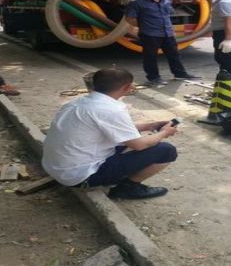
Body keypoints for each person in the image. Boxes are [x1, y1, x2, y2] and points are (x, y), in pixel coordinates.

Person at [42, 68, 178, 199]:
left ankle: (116, 176)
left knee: (127, 142)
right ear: (127, 87)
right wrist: (164, 133)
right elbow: (139, 145)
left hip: (57, 168)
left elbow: (113, 129)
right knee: (166, 150)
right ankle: (128, 188)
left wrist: (150, 126)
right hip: (80, 176)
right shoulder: (111, 110)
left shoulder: (76, 103)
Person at [125, 0, 199, 86]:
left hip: (167, 33)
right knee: (150, 56)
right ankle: (153, 77)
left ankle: (180, 73)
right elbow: (130, 18)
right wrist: (144, 25)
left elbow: (169, 14)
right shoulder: (138, 3)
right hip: (150, 34)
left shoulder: (166, 1)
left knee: (174, 54)